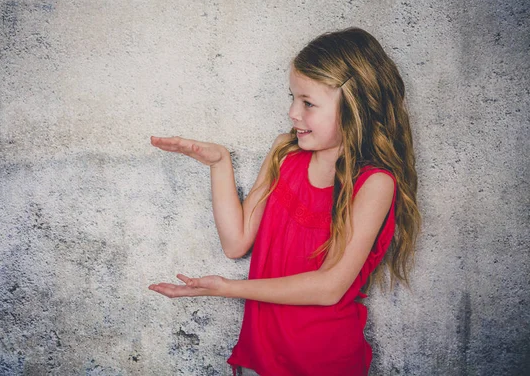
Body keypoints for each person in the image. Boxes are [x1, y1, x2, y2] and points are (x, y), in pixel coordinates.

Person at [148, 27, 421, 376]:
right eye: (293, 97)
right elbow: (236, 242)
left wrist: (229, 289)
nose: (293, 112)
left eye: (307, 102)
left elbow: (329, 287)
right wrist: (219, 163)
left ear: (355, 110)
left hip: (323, 362)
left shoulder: (374, 184)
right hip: (262, 358)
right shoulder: (284, 152)